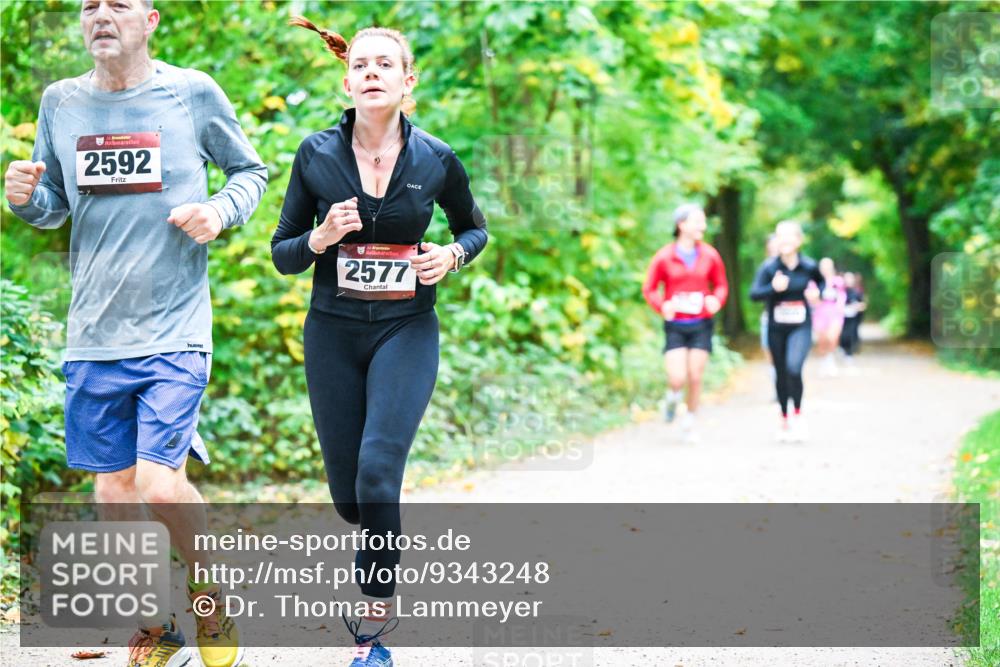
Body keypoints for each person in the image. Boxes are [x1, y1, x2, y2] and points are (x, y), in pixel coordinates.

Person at [4, 1, 266, 666]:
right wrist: (23, 198)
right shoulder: (60, 102)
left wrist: (218, 210)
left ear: (149, 20)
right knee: (112, 487)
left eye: (117, 3)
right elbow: (52, 202)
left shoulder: (191, 92)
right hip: (94, 332)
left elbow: (251, 172)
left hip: (175, 324)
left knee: (156, 481)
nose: (100, 14)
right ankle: (157, 626)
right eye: (89, 4)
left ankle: (208, 595)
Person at [271, 17, 487, 667]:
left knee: (377, 468)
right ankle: (375, 543)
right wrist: (318, 238)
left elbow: (474, 230)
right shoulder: (316, 154)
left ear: (406, 81)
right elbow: (283, 254)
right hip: (332, 332)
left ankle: (373, 622)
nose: (371, 72)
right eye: (361, 64)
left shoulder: (435, 158)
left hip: (405, 329)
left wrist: (450, 255)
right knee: (349, 497)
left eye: (384, 64)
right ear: (347, 79)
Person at [642, 204, 728, 443]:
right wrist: (662, 306)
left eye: (703, 221)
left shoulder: (710, 255)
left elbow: (721, 285)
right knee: (677, 377)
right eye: (697, 221)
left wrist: (716, 300)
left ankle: (689, 421)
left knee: (695, 375)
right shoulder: (664, 256)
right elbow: (649, 289)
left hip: (701, 323)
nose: (703, 226)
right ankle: (672, 398)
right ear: (681, 225)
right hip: (676, 325)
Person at [750, 221, 824, 442]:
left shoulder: (809, 266)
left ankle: (799, 415)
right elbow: (754, 294)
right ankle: (784, 418)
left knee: (794, 367)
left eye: (789, 236)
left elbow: (821, 284)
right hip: (776, 327)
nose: (784, 240)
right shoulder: (769, 268)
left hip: (800, 326)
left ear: (799, 240)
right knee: (781, 372)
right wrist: (773, 288)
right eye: (780, 236)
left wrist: (816, 294)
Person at [753, 234, 780, 401]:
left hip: (793, 321)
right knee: (771, 355)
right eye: (772, 245)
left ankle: (788, 386)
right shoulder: (765, 268)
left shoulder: (796, 266)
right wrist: (773, 288)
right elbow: (755, 293)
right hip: (769, 317)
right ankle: (777, 389)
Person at [811, 257, 846, 376]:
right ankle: (823, 361)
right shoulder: (815, 282)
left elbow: (842, 296)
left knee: (832, 337)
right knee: (822, 339)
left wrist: (840, 309)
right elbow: (812, 298)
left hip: (834, 312)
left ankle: (830, 359)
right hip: (820, 312)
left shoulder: (838, 281)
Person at [839, 271, 866, 361]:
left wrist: (857, 306)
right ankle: (842, 349)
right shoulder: (840, 292)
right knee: (842, 335)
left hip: (853, 318)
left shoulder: (857, 292)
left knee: (851, 335)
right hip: (841, 318)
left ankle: (849, 353)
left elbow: (863, 305)